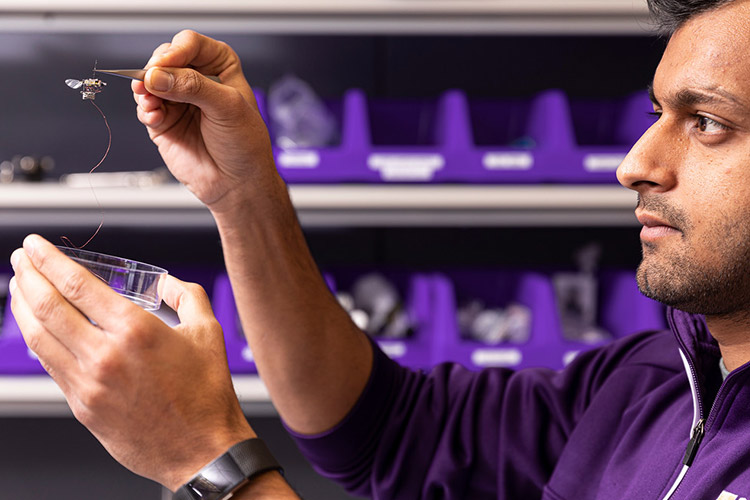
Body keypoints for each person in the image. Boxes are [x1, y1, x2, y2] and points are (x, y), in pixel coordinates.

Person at [8, 0, 750, 497]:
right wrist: (242, 193)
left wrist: (208, 459)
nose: (634, 163)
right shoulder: (655, 382)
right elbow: (383, 430)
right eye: (658, 112)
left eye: (708, 122)